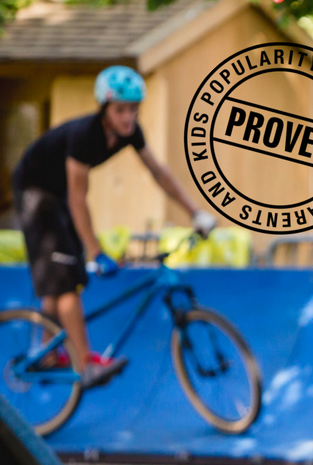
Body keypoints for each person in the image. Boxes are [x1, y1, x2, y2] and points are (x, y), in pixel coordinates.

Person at [12, 65, 216, 389]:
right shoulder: (84, 135)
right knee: (65, 281)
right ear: (105, 109)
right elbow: (79, 199)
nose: (127, 118)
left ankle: (47, 351)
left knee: (65, 274)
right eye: (120, 110)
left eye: (133, 110)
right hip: (35, 191)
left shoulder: (131, 132)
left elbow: (158, 173)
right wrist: (96, 250)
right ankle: (86, 363)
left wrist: (195, 213)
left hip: (58, 194)